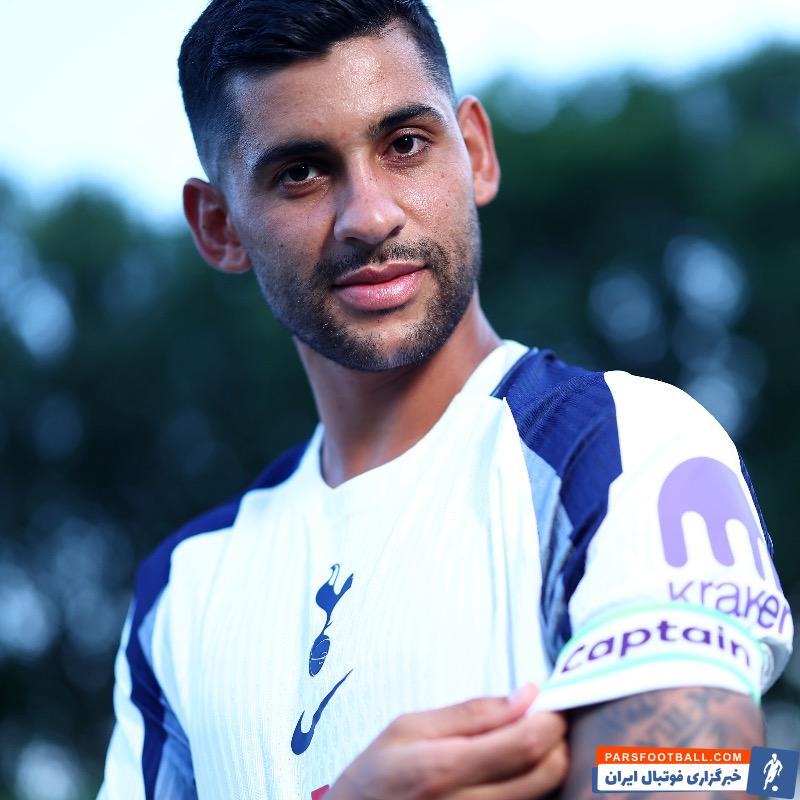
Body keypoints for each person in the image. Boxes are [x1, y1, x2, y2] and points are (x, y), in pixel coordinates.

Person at [98, 1, 794, 798]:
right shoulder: (180, 591)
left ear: (476, 152)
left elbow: (733, 779)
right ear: (219, 225)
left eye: (404, 144)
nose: (370, 217)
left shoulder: (623, 443)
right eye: (301, 173)